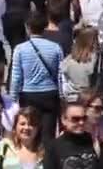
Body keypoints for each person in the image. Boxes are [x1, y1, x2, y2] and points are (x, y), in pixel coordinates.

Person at [10, 11, 63, 145]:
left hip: (28, 94)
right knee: (48, 134)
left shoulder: (20, 49)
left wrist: (13, 98)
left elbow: (16, 77)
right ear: (45, 27)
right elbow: (61, 76)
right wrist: (62, 96)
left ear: (28, 27)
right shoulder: (56, 48)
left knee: (29, 131)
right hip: (50, 94)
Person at [44, 100, 103, 168]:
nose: (81, 122)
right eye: (75, 119)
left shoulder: (95, 142)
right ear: (64, 119)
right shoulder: (53, 148)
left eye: (84, 118)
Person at [60, 26, 103, 101]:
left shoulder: (68, 59)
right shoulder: (101, 59)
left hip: (72, 101)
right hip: (94, 101)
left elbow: (63, 83)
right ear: (94, 40)